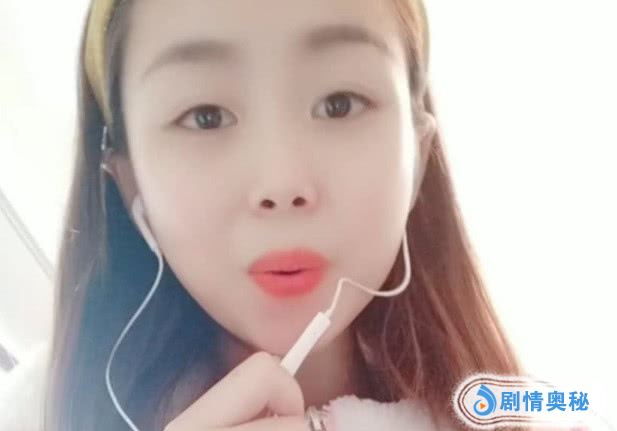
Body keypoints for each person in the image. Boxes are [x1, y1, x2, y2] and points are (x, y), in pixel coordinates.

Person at [0, 0, 534, 430]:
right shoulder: (37, 415)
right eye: (206, 117)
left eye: (340, 103)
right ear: (130, 179)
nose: (282, 184)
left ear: (417, 158)